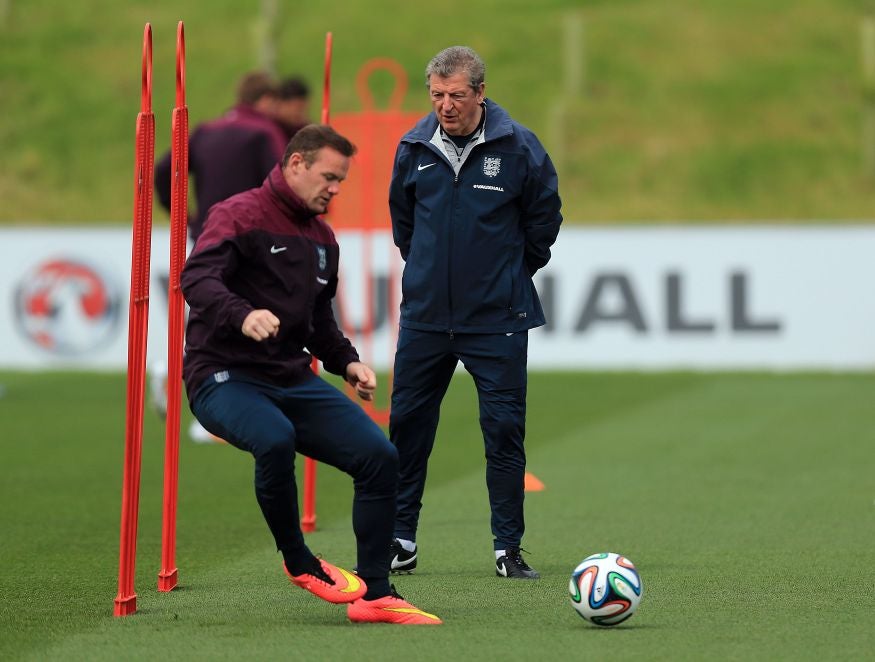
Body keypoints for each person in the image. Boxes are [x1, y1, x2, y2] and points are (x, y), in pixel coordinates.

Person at [179, 124, 441, 625]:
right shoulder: (237, 214)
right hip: (223, 375)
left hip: (291, 379)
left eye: (342, 180)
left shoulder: (322, 238)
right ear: (295, 164)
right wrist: (242, 314)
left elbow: (319, 321)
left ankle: (375, 596)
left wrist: (347, 362)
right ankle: (299, 561)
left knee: (380, 457)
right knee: (274, 439)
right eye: (329, 176)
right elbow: (196, 277)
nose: (336, 188)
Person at [387, 46, 563, 579]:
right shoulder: (413, 147)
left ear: (481, 94)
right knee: (407, 430)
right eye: (437, 95)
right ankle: (400, 540)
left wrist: (507, 275)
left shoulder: (519, 148)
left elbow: (544, 221)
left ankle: (507, 550)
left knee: (504, 431)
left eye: (457, 95)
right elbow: (404, 227)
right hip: (425, 319)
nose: (446, 106)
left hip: (497, 319)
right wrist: (426, 275)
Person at [151, 72, 289, 441]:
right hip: (249, 242)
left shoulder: (205, 131)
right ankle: (215, 414)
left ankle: (169, 367)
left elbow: (163, 170)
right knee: (239, 322)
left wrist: (183, 215)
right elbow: (279, 184)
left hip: (205, 237)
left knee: (206, 315)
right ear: (267, 101)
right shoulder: (264, 132)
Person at [273, 76, 312, 142]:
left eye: (303, 109)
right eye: (298, 108)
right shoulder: (271, 130)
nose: (301, 114)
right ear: (281, 103)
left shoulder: (304, 130)